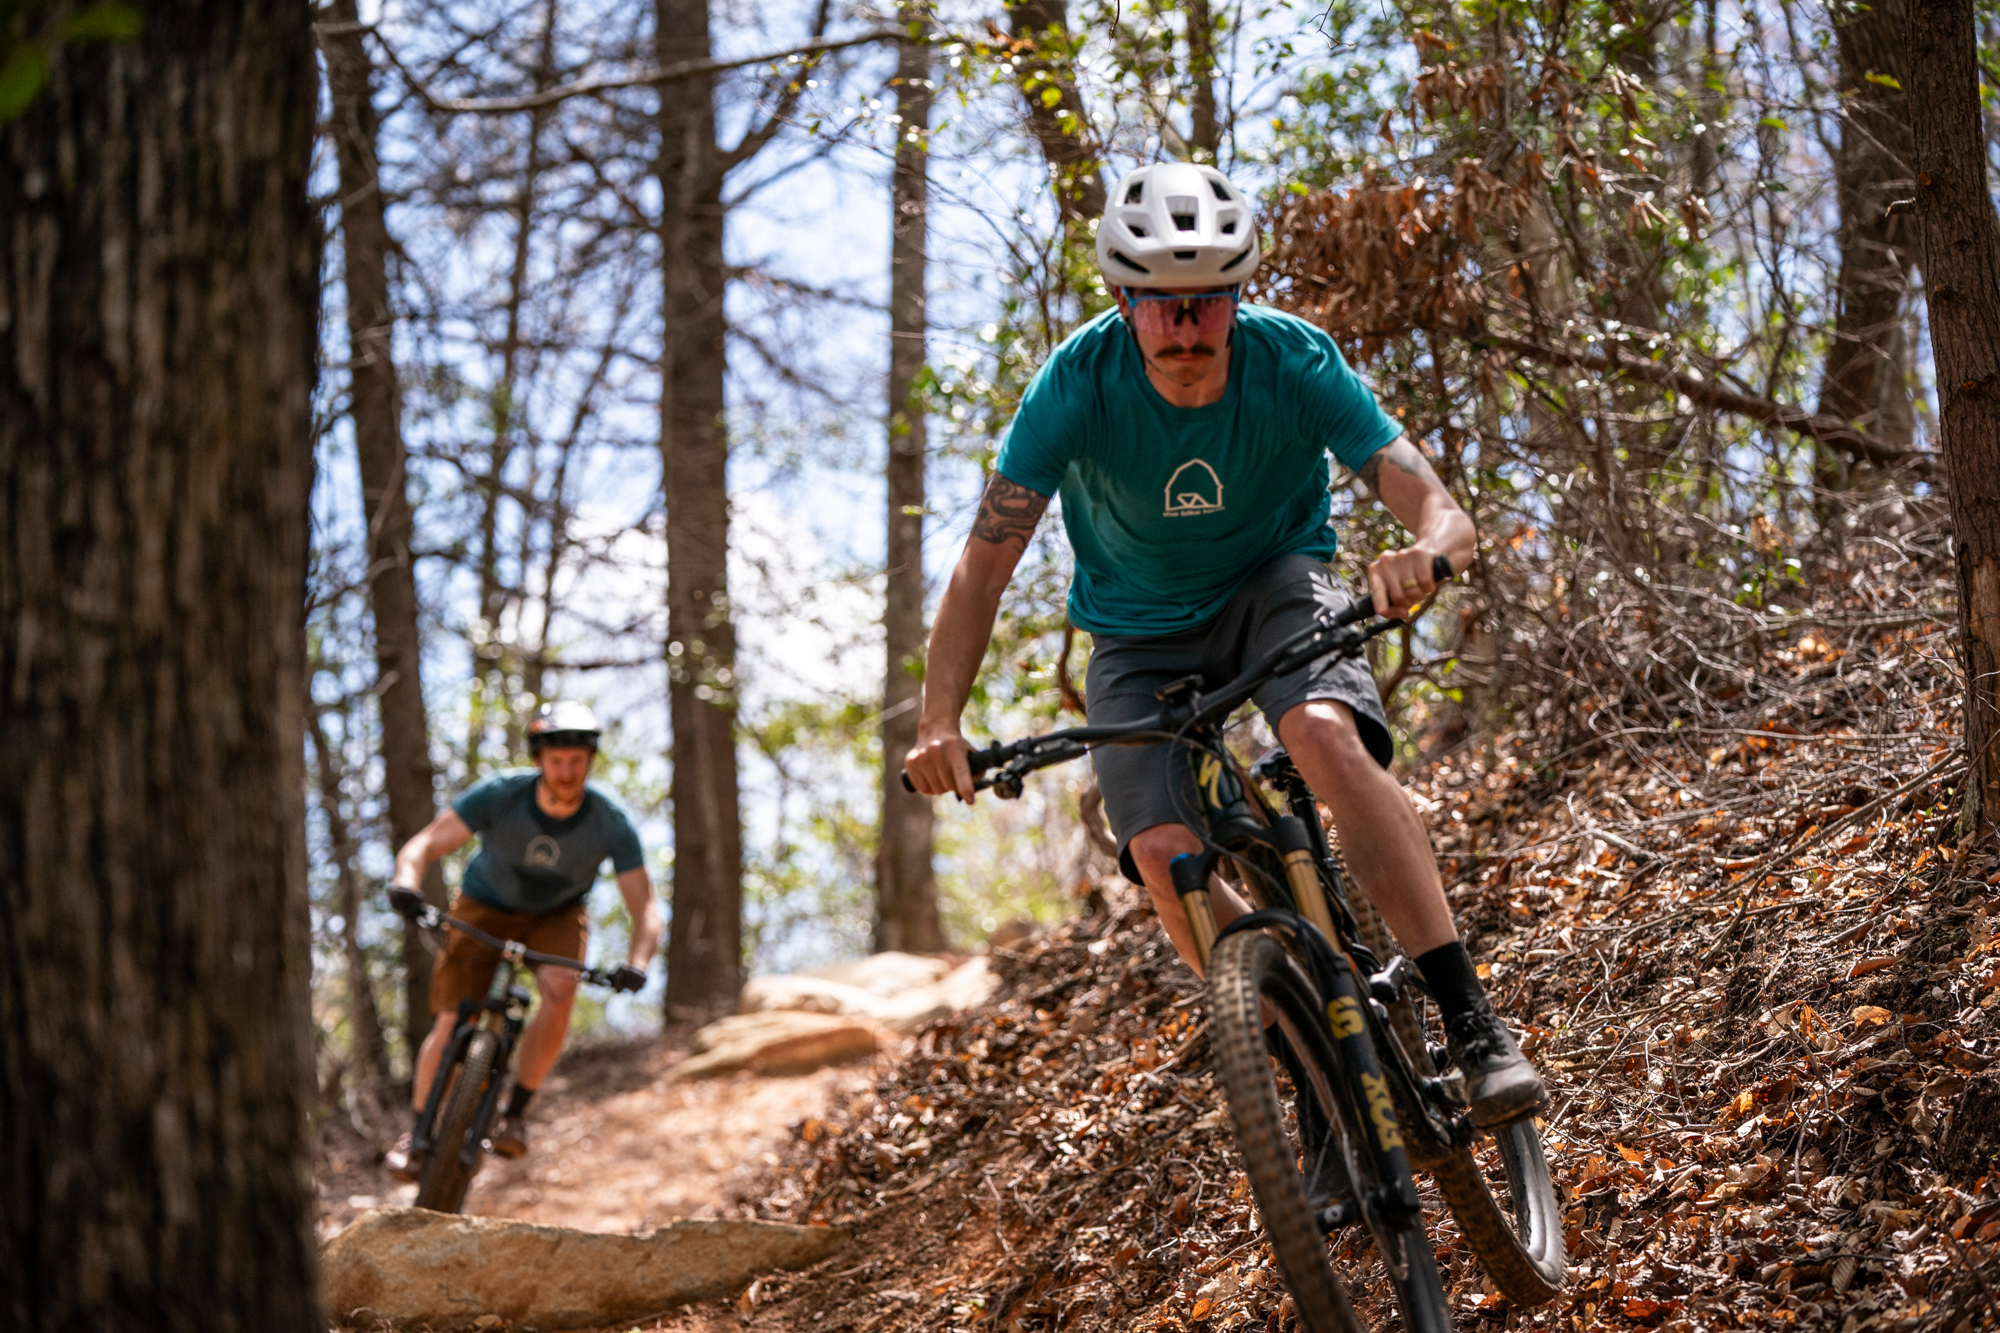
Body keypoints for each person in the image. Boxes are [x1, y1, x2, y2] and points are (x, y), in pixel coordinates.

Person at [903, 161, 1544, 1128]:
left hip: (1276, 586)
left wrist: (1427, 549)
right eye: (1160, 305)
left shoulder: (1293, 360)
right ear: (1123, 301)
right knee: (1162, 853)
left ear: (1238, 298)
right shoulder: (1074, 386)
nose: (1186, 328)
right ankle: (1308, 1058)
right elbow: (982, 568)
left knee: (1323, 738)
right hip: (1135, 635)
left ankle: (1470, 1018)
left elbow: (1432, 501)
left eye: (1207, 302)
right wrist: (938, 720)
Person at [385, 702, 662, 1180]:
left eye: (577, 760)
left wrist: (637, 962)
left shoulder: (609, 822)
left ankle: (514, 1115)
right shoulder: (501, 795)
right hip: (483, 906)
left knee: (560, 990)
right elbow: (425, 843)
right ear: (538, 759)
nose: (567, 770)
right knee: (451, 1019)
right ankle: (418, 1132)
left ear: (590, 760)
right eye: (556, 760)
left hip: (557, 913)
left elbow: (646, 909)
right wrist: (406, 884)